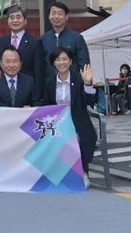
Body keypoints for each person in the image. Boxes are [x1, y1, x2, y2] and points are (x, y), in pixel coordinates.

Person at [39, 47, 98, 179]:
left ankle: (82, 172)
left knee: (82, 139)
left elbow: (90, 102)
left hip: (77, 120)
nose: (62, 62)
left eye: (65, 59)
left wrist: (87, 83)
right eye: (58, 59)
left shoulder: (79, 79)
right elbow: (46, 105)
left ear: (71, 61)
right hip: (57, 123)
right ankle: (57, 174)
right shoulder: (49, 82)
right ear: (54, 63)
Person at [39, 1, 90, 81]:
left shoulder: (77, 38)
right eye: (53, 13)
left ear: (66, 17)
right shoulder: (43, 39)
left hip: (73, 85)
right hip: (50, 86)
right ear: (49, 16)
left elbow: (84, 65)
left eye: (60, 13)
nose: (56, 16)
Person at [0, 4, 41, 83]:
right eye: (12, 18)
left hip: (27, 89)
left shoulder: (35, 43)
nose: (15, 20)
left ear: (25, 20)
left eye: (18, 17)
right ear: (8, 21)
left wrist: (37, 94)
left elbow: (38, 71)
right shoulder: (0, 42)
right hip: (4, 89)